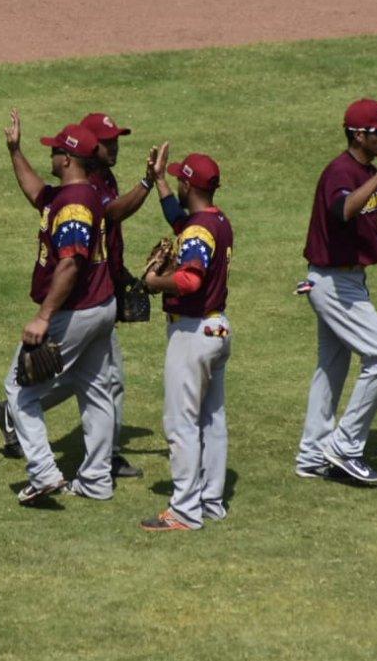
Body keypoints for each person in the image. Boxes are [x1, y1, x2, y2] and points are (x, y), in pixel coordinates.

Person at [0, 111, 152, 478]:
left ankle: (50, 471)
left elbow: (72, 263)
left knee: (28, 388)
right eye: (107, 142)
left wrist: (44, 316)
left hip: (80, 304)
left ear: (66, 159)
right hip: (90, 302)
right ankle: (97, 474)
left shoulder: (80, 198)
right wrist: (15, 151)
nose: (112, 147)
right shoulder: (77, 192)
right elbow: (38, 194)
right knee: (94, 384)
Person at [294, 98, 377, 485]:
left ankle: (312, 456)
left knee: (331, 369)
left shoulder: (361, 172)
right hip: (332, 284)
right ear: (358, 134)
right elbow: (342, 211)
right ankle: (344, 446)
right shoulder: (341, 172)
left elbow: (371, 237)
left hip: (344, 281)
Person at [139, 152, 234, 531]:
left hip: (192, 334)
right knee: (212, 420)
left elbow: (190, 280)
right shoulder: (216, 220)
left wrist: (153, 283)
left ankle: (184, 511)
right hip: (217, 329)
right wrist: (159, 179)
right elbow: (181, 221)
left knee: (181, 422)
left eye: (180, 179)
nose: (177, 183)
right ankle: (210, 500)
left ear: (190, 186)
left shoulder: (197, 233)